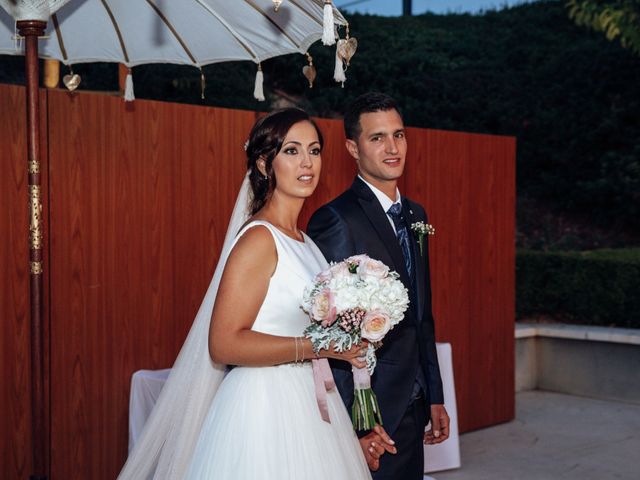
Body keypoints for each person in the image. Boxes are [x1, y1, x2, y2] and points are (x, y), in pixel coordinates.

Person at [118, 108, 393, 480]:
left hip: (310, 402)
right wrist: (319, 347)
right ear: (265, 164)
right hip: (262, 408)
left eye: (314, 150)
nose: (307, 162)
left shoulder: (307, 243)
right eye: (291, 151)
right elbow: (224, 344)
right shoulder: (259, 239)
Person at [307, 92, 451, 480]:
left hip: (415, 400)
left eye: (399, 135)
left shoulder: (415, 215)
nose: (392, 148)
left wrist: (435, 394)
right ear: (353, 148)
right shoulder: (335, 219)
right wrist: (357, 422)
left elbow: (423, 314)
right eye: (377, 138)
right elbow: (327, 333)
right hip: (373, 411)